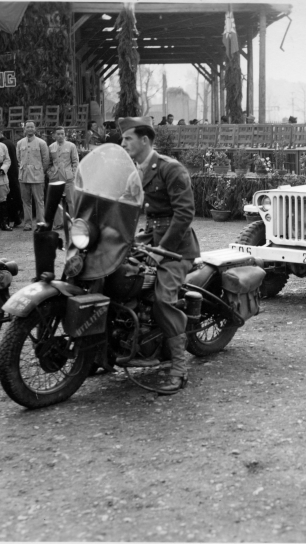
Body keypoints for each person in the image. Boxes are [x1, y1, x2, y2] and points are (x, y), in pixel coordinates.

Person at [119, 116, 200, 394]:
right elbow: (123, 207)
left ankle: (179, 367)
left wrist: (162, 251)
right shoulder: (135, 172)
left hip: (176, 248)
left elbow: (185, 213)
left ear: (144, 140)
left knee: (163, 299)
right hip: (149, 239)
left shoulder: (170, 168)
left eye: (127, 138)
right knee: (117, 275)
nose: (123, 143)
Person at [16, 120, 49, 231]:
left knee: (39, 201)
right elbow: (18, 158)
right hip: (24, 176)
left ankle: (40, 223)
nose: (29, 129)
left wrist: (40, 171)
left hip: (37, 176)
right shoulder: (20, 143)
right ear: (24, 129)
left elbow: (46, 160)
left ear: (35, 129)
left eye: (32, 127)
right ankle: (28, 223)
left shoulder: (41, 143)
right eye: (27, 127)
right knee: (26, 201)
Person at [47, 126, 79, 229]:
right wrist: (50, 173)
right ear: (54, 135)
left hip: (68, 176)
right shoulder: (51, 147)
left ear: (65, 135)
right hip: (55, 176)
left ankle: (73, 222)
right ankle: (59, 223)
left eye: (62, 134)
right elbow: (49, 163)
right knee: (56, 200)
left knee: (71, 200)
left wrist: (73, 174)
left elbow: (75, 161)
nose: (60, 136)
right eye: (58, 134)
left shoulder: (71, 146)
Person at [0, 124, 21, 227]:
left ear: (0, 132)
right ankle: (15, 218)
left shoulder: (3, 144)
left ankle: (11, 219)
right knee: (10, 197)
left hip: (7, 175)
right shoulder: (8, 143)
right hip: (11, 174)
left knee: (7, 198)